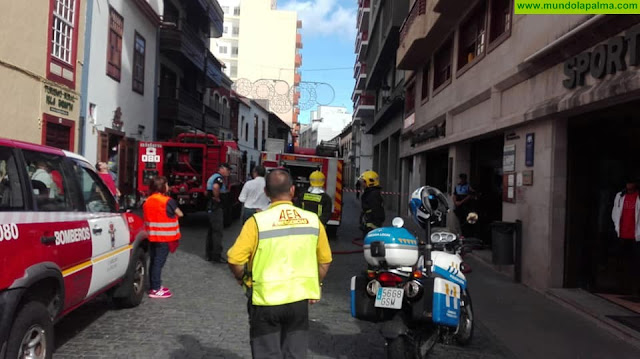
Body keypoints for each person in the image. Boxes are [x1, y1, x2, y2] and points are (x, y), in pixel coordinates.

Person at [227, 169, 332, 358]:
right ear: (292, 190)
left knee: (267, 353)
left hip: (265, 300)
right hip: (299, 300)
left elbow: (234, 259)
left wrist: (243, 279)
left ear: (266, 192)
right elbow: (325, 261)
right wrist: (316, 284)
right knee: (295, 354)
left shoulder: (257, 222)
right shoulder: (313, 221)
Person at [143, 176, 183, 299]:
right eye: (166, 184)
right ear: (162, 187)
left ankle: (153, 286)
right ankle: (155, 288)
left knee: (154, 261)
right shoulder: (167, 201)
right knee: (158, 263)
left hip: (152, 236)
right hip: (164, 238)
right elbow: (180, 213)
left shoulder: (148, 200)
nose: (168, 187)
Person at [611, 178, 640, 298]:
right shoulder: (620, 195)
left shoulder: (638, 196)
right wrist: (616, 227)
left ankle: (635, 290)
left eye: (631, 182)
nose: (629, 185)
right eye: (627, 182)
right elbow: (615, 212)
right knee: (622, 262)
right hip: (622, 234)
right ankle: (622, 288)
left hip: (636, 235)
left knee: (636, 263)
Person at [205, 163, 231, 263]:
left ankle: (209, 254)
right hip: (216, 208)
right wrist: (217, 198)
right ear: (221, 169)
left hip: (211, 206)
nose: (229, 172)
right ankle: (216, 255)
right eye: (227, 169)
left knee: (211, 231)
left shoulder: (212, 177)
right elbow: (216, 187)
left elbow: (207, 192)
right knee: (217, 232)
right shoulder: (219, 178)